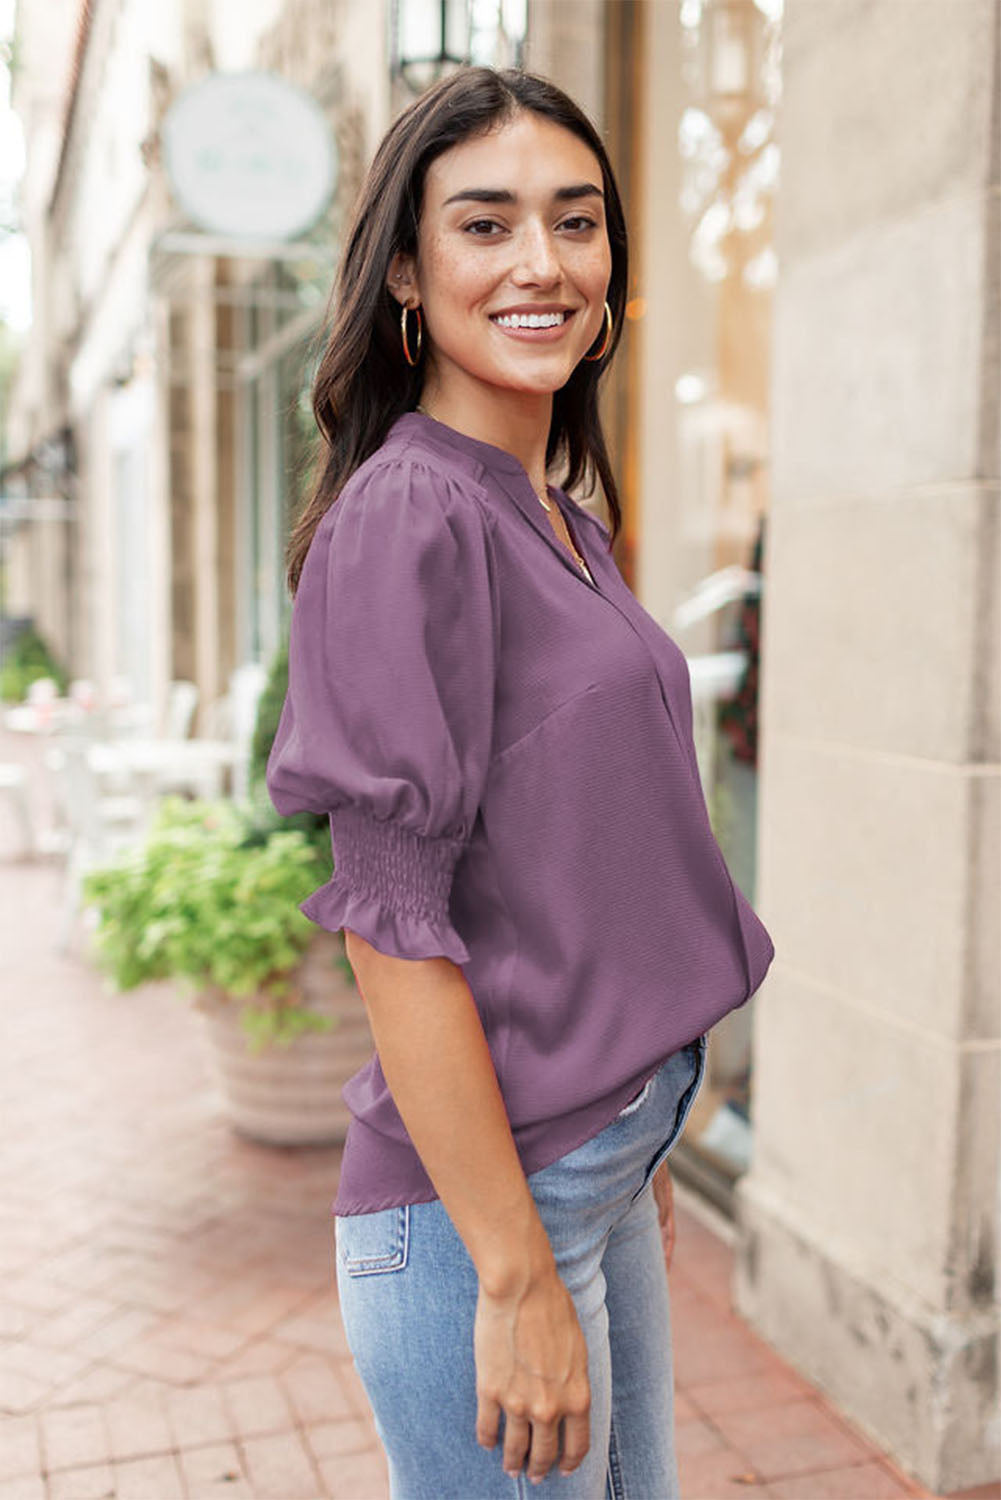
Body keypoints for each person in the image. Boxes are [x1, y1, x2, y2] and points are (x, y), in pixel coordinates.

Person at [266, 65, 775, 1500]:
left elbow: (566, 871)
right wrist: (512, 1272)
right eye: (485, 226)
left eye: (578, 221)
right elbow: (391, 924)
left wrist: (634, 1145)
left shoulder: (553, 517)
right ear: (408, 281)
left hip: (587, 1164)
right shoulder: (406, 521)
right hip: (488, 1213)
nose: (543, 263)